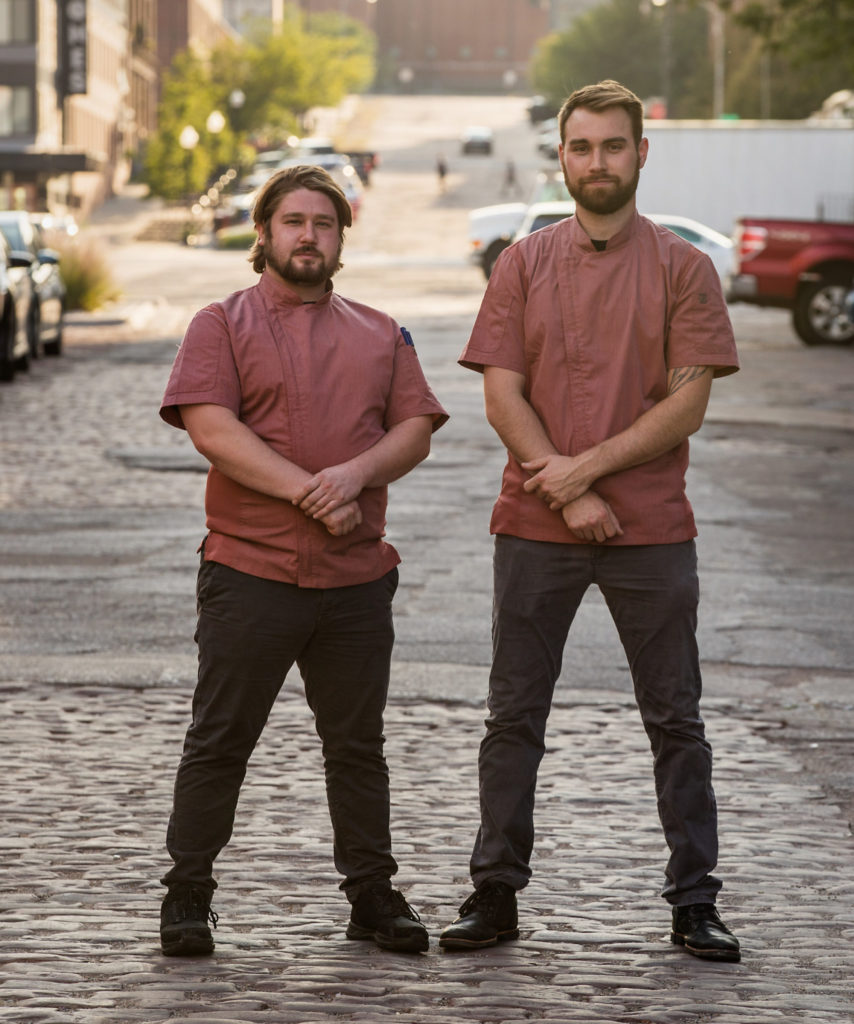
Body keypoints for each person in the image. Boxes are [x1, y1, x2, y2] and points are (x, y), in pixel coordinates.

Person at [439, 80, 741, 963]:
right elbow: (502, 391)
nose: (597, 162)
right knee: (513, 716)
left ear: (642, 154)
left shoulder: (686, 269)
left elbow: (686, 407)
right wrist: (565, 490)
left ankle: (694, 902)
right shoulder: (522, 264)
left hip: (653, 528)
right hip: (536, 524)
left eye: (614, 146)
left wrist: (589, 470)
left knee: (676, 718)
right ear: (560, 157)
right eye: (582, 147)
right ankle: (493, 893)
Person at [158, 165, 447, 957]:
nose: (308, 235)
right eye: (293, 221)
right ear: (263, 233)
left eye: (325, 223)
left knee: (357, 746)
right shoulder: (220, 323)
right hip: (250, 573)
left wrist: (354, 477)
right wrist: (309, 492)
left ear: (341, 239)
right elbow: (211, 427)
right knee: (222, 737)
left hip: (355, 582)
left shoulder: (381, 332)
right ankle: (187, 893)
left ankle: (372, 896)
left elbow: (416, 428)